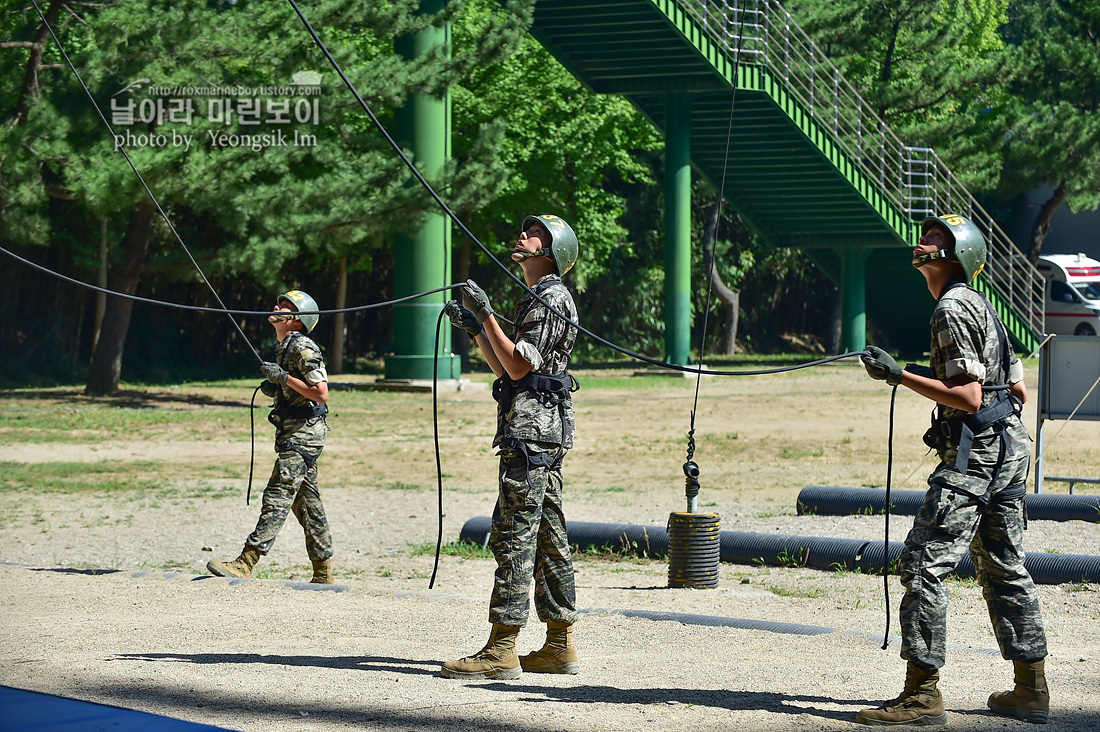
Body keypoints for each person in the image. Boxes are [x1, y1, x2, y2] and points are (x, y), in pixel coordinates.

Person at [857, 214, 1049, 725]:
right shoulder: (982, 306)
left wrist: (900, 376)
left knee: (923, 563)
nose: (922, 244)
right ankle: (1031, 690)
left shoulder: (950, 309)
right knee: (1005, 566)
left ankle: (922, 697)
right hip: (1009, 446)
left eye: (935, 240)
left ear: (955, 256)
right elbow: (1018, 390)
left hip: (975, 453)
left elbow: (965, 396)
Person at [440, 214, 581, 680]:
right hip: (540, 434)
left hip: (532, 435)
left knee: (514, 535)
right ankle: (559, 644)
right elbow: (506, 367)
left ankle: (502, 649)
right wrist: (478, 330)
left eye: (534, 233)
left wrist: (485, 315)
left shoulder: (549, 296)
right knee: (547, 536)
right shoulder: (539, 297)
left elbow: (519, 370)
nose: (522, 236)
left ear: (551, 250)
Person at [207, 290, 334, 585]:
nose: (277, 307)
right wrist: (279, 388)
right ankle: (323, 570)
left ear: (296, 320)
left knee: (278, 495)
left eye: (285, 306)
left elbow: (321, 392)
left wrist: (283, 380)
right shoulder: (285, 345)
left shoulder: (303, 347)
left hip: (304, 435)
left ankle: (246, 561)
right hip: (295, 431)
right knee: (307, 503)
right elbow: (300, 389)